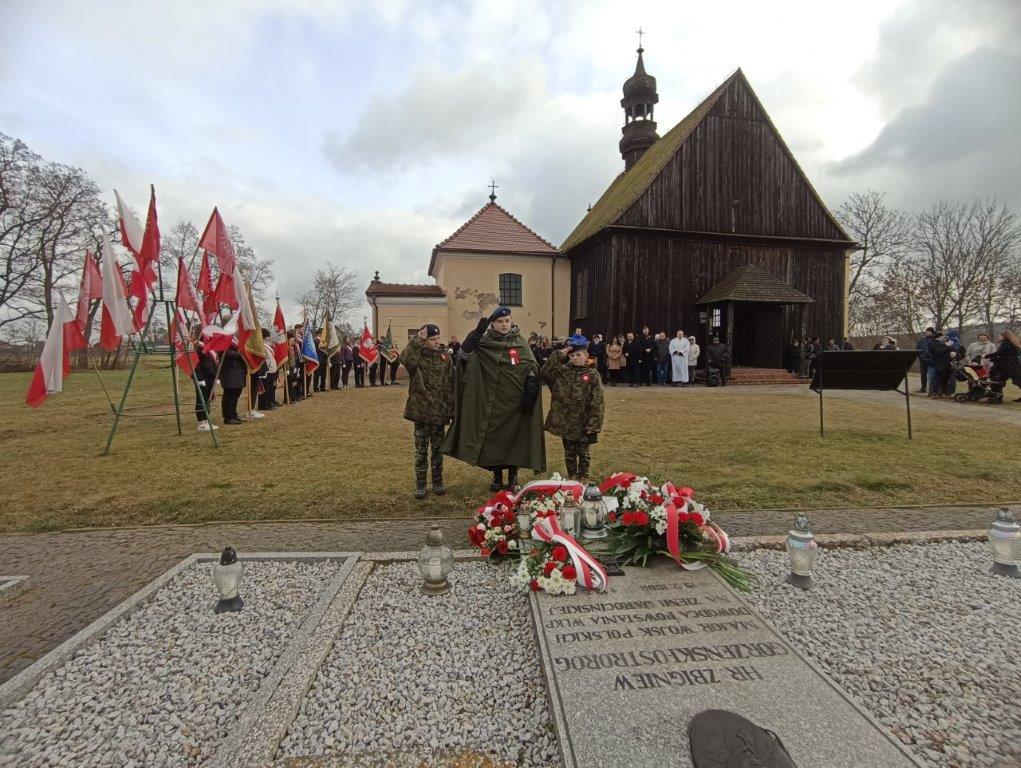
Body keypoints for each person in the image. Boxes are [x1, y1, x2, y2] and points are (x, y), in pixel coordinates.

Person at [441, 306, 545, 492]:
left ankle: (513, 478)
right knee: (494, 440)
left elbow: (531, 366)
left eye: (507, 321)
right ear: (493, 323)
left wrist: (530, 388)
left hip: (516, 404)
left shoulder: (519, 342)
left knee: (515, 440)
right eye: (500, 321)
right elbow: (463, 356)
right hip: (492, 402)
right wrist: (477, 333)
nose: (505, 324)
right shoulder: (484, 341)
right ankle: (497, 477)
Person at [400, 324, 455, 499]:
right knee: (421, 451)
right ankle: (421, 484)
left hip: (439, 411)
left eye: (438, 338)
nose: (437, 342)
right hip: (421, 411)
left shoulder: (445, 357)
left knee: (438, 451)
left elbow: (451, 384)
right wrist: (417, 339)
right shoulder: (417, 356)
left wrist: (451, 408)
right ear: (425, 341)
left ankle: (438, 481)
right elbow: (405, 359)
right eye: (432, 339)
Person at [541, 335, 604, 481]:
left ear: (586, 355)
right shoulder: (562, 371)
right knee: (569, 452)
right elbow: (545, 372)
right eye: (572, 355)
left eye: (579, 354)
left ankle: (583, 476)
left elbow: (598, 402)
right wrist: (559, 354)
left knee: (583, 452)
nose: (575, 358)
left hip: (584, 422)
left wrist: (594, 424)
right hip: (566, 421)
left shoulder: (593, 375)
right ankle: (572, 476)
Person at [191, 326, 218, 431]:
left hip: (210, 376)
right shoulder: (197, 346)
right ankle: (201, 422)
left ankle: (207, 420)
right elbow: (195, 364)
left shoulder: (208, 345)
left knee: (207, 398)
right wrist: (199, 378)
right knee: (201, 398)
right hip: (202, 377)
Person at [987, 330, 1021, 401]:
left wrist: (990, 355)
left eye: (999, 336)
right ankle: (996, 394)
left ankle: (996, 395)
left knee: (999, 379)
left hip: (1010, 366)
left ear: (1003, 336)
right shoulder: (1013, 342)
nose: (998, 337)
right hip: (1013, 365)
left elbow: (1001, 352)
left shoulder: (1005, 342)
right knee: (1017, 381)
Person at [219, 341, 247, 425]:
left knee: (235, 395)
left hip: (238, 372)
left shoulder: (237, 340)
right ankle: (228, 417)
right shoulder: (224, 338)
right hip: (229, 373)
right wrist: (241, 354)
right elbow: (225, 352)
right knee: (229, 395)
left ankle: (234, 414)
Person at [926, 331, 954, 398]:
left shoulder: (941, 343)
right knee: (938, 379)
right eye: (943, 336)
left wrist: (952, 351)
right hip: (939, 364)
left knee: (945, 379)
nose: (944, 337)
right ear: (939, 337)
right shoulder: (931, 343)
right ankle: (934, 393)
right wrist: (947, 346)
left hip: (947, 363)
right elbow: (938, 352)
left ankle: (943, 393)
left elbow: (948, 350)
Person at [259, 328, 278, 411]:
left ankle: (269, 402)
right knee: (266, 388)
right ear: (265, 337)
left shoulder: (268, 345)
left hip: (272, 369)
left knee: (270, 387)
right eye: (268, 336)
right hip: (267, 369)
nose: (269, 338)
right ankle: (263, 404)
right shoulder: (262, 345)